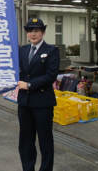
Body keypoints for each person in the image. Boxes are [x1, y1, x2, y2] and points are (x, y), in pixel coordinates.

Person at [17, 18, 60, 171]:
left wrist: (29, 85)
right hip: (25, 103)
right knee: (26, 140)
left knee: (45, 140)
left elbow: (51, 75)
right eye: (30, 31)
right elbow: (10, 72)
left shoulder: (51, 51)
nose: (33, 34)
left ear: (43, 32)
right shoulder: (22, 50)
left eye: (36, 30)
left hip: (42, 103)